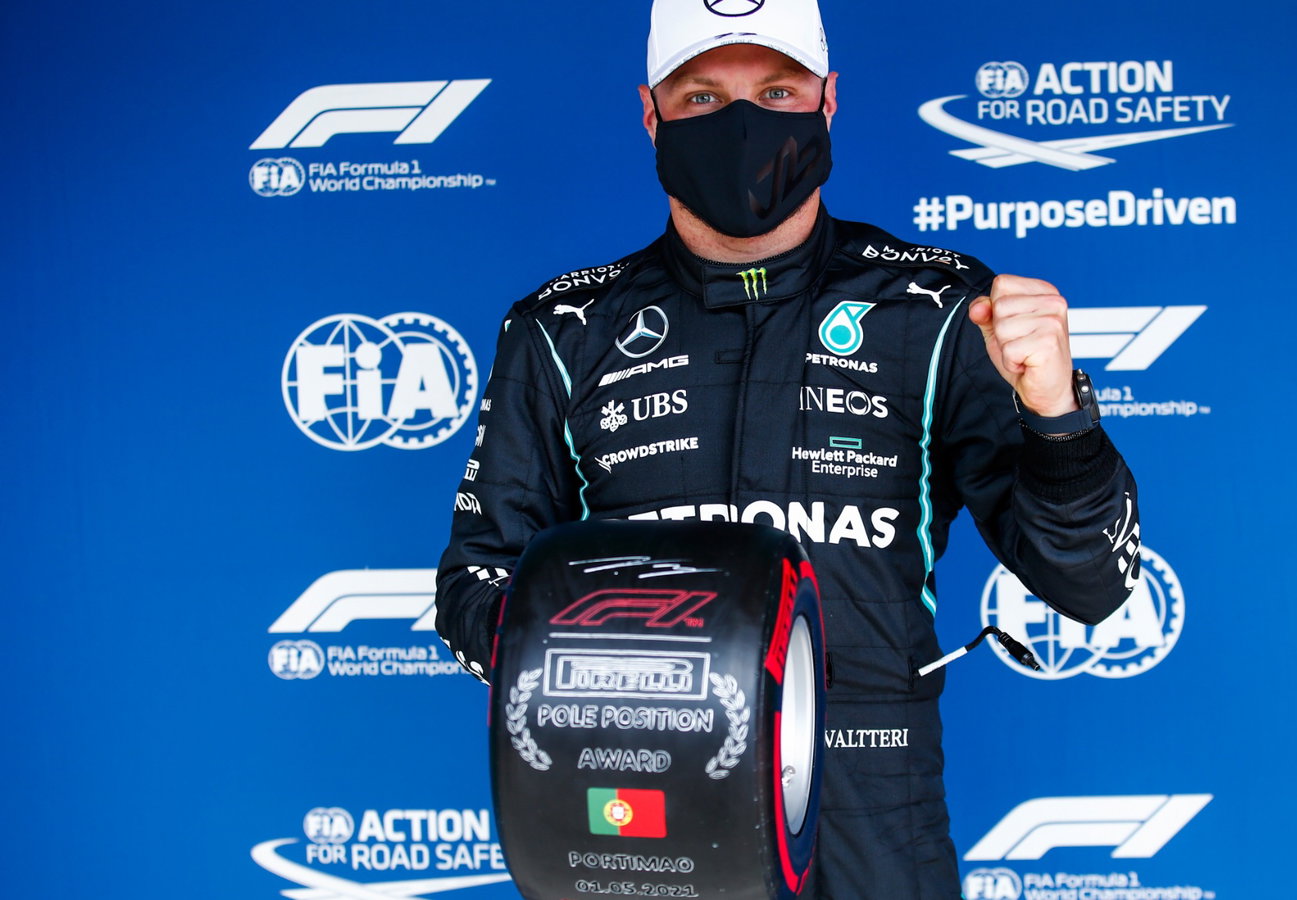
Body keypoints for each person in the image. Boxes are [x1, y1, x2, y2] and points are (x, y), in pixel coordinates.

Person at [435, 1, 1141, 896]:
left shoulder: (941, 312)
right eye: (702, 97)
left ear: (827, 101)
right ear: (650, 113)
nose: (742, 125)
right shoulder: (562, 330)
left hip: (875, 816)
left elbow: (1091, 585)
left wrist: (1057, 417)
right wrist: (623, 677)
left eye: (776, 92)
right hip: (636, 806)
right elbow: (474, 585)